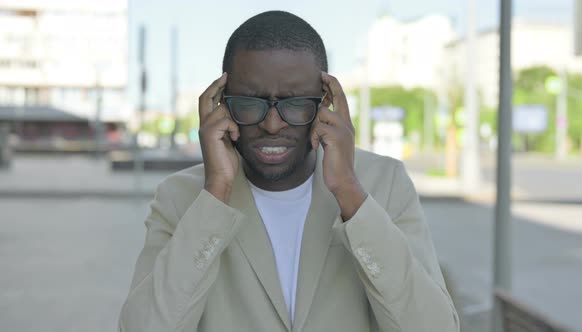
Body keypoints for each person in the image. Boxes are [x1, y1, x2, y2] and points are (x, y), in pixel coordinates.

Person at [119, 10, 459, 332]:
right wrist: (216, 192)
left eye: (295, 103)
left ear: (326, 103)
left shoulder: (383, 184)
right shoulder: (181, 197)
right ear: (221, 104)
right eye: (251, 102)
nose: (271, 124)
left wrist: (349, 193)